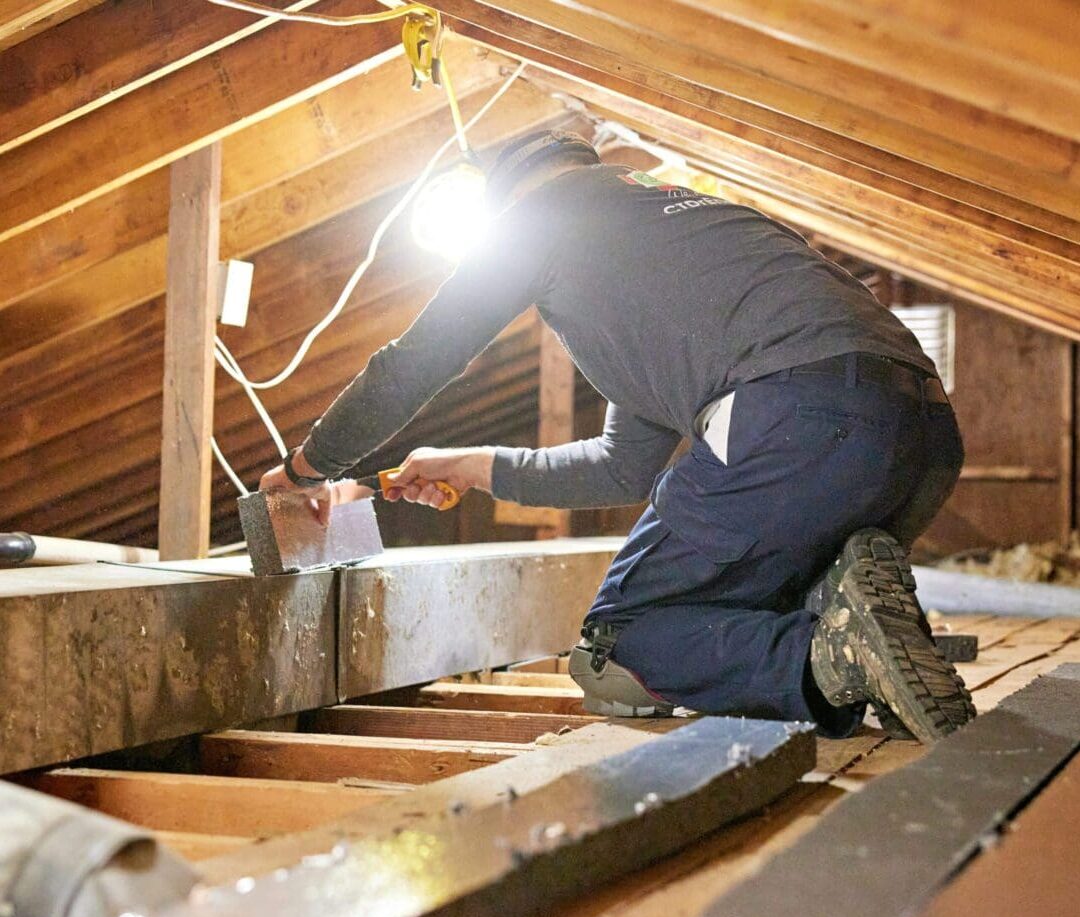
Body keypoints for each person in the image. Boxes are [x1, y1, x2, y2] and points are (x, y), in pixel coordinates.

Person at [261, 129, 973, 743]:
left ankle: (833, 651)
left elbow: (418, 361)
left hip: (798, 418)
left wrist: (305, 471)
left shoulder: (535, 216)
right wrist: (475, 466)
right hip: (924, 435)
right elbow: (622, 466)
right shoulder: (684, 238)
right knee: (735, 614)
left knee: (619, 642)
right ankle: (850, 612)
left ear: (506, 202)